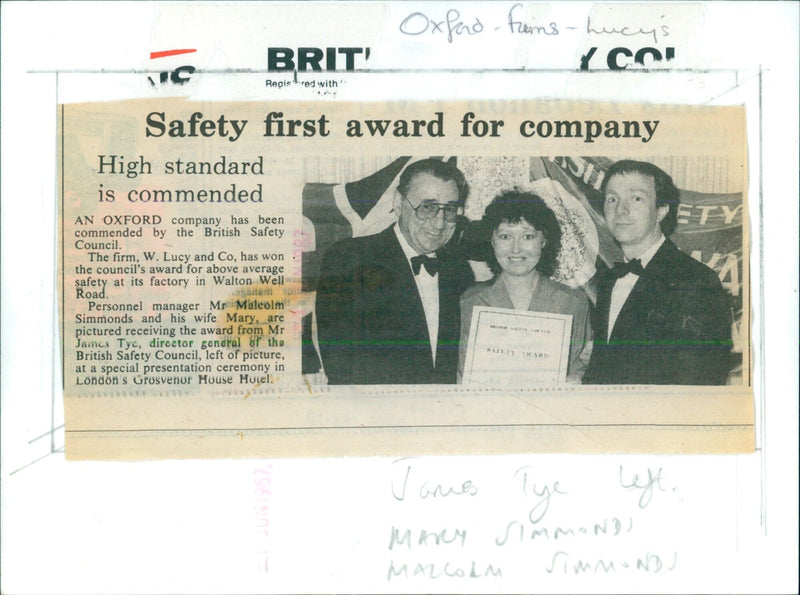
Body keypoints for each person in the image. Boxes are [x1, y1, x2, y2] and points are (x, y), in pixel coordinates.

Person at [315, 158, 474, 384]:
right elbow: (341, 366)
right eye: (427, 207)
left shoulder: (458, 270)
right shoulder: (348, 260)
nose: (439, 223)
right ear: (399, 204)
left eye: (449, 210)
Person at [583, 160, 733, 385]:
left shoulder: (696, 281)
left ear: (661, 210)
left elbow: (699, 381)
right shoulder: (609, 280)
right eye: (612, 199)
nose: (620, 209)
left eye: (636, 198)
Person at [459, 190, 592, 383]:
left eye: (527, 236)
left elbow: (580, 368)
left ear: (544, 240)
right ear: (492, 240)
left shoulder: (574, 303)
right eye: (505, 236)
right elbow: (460, 377)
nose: (516, 249)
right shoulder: (468, 303)